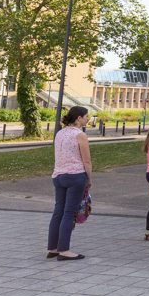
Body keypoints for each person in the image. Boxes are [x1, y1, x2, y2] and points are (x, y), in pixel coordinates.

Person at [47, 106, 92, 260]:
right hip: (75, 176)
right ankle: (64, 250)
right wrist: (89, 179)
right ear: (78, 118)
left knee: (58, 211)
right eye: (86, 116)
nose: (87, 119)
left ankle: (53, 248)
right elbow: (86, 160)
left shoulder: (59, 133)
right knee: (69, 213)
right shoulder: (80, 135)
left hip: (58, 176)